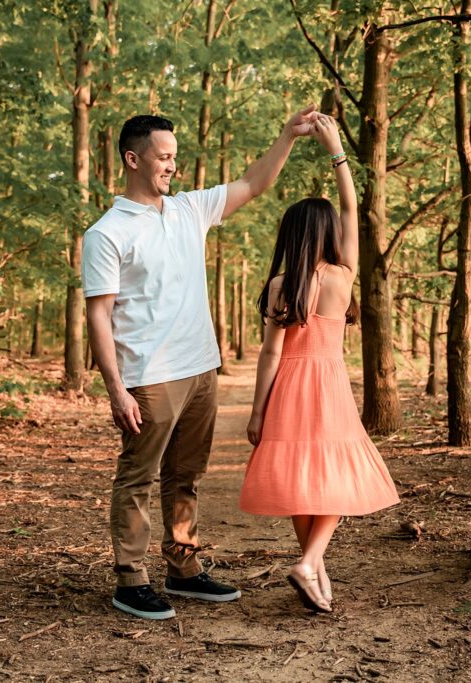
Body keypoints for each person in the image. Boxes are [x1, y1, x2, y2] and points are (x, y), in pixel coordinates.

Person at [82, 106, 319, 621]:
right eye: (163, 157)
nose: (172, 165)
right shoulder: (106, 234)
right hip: (147, 376)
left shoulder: (189, 209)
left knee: (186, 474)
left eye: (174, 156)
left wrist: (287, 135)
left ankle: (182, 567)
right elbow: (98, 317)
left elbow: (254, 183)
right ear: (132, 159)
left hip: (199, 369)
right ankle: (131, 579)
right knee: (138, 477)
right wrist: (116, 390)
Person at [239, 114, 400, 612]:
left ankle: (313, 565)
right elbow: (352, 208)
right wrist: (337, 155)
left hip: (287, 384)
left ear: (290, 236)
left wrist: (257, 411)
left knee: (298, 475)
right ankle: (311, 565)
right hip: (326, 384)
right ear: (328, 233)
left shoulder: (278, 286)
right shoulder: (342, 276)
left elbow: (269, 354)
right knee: (335, 475)